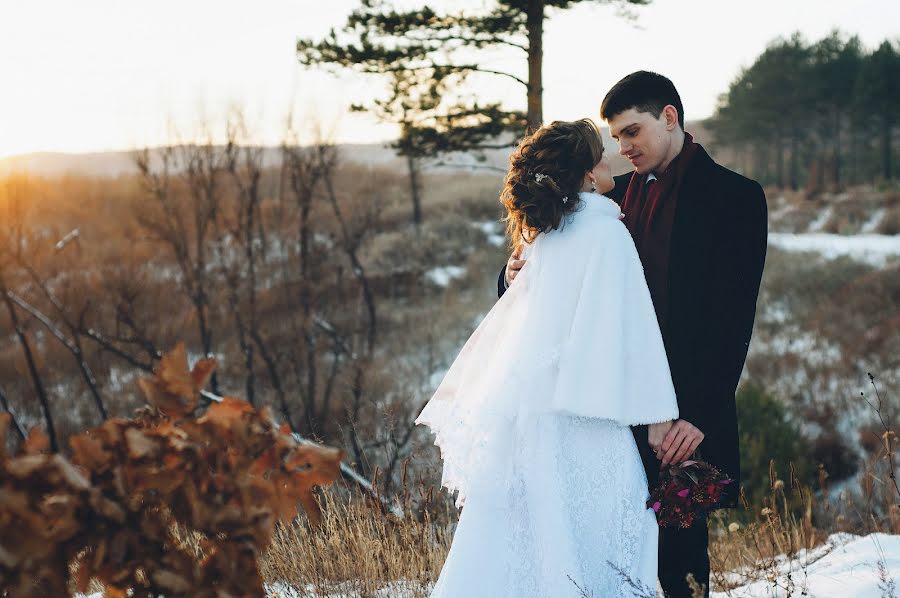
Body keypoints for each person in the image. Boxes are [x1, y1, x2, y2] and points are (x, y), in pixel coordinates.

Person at [500, 71, 768, 597]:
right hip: (601, 416)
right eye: (616, 138)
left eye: (632, 132)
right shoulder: (606, 192)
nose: (622, 148)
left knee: (679, 564)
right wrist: (509, 276)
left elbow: (733, 319)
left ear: (669, 118)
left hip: (680, 424)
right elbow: (546, 272)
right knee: (608, 555)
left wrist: (697, 414)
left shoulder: (735, 197)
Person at [417, 118, 679, 597]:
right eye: (600, 157)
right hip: (585, 416)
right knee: (606, 532)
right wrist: (659, 415)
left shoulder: (546, 236)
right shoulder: (606, 235)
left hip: (530, 414)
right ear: (583, 175)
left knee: (529, 538)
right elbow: (633, 329)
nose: (610, 163)